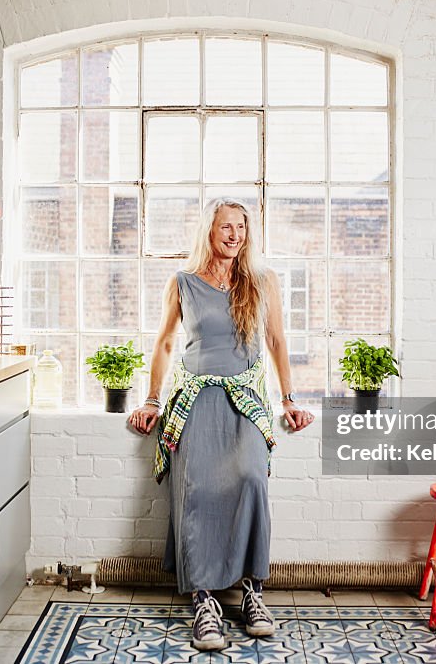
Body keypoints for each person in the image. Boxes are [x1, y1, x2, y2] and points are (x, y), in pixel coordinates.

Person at [128, 198, 314, 651]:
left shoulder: (262, 281)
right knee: (197, 490)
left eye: (241, 227)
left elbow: (275, 341)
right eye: (225, 227)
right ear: (208, 232)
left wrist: (289, 399)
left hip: (246, 400)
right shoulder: (183, 283)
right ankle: (204, 600)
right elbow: (165, 344)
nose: (234, 234)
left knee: (251, 479)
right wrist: (152, 399)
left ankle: (252, 591)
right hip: (193, 401)